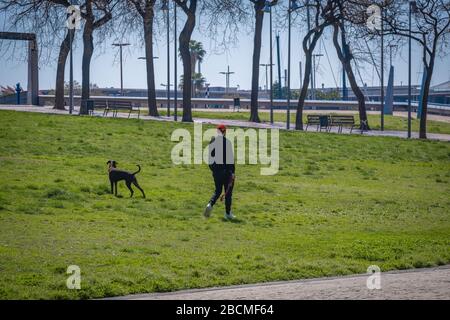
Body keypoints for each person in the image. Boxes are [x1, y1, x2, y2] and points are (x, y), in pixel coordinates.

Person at [204, 124, 236, 219]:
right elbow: (230, 160)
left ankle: (210, 204)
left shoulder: (212, 142)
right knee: (228, 193)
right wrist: (232, 172)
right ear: (224, 132)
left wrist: (213, 169)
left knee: (218, 191)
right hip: (226, 172)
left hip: (216, 172)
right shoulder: (227, 143)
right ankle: (227, 213)